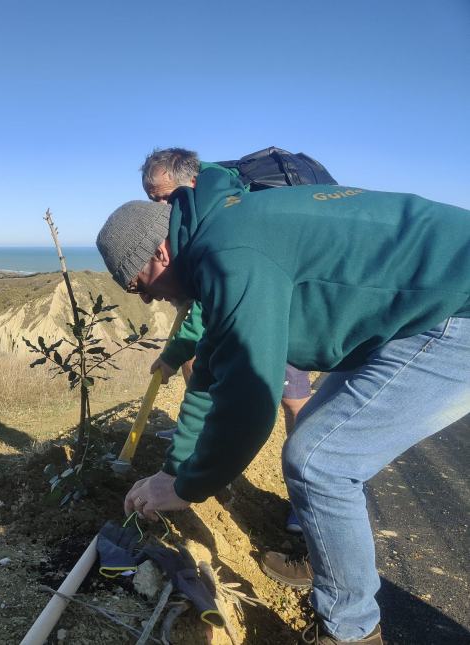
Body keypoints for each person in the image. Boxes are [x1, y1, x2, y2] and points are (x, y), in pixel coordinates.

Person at [95, 168, 470, 644]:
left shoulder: (230, 252)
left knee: (319, 460)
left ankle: (351, 633)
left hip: (455, 308)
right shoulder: (220, 229)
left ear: (161, 252)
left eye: (139, 284)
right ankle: (333, 561)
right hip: (423, 307)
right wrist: (174, 469)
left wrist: (190, 486)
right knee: (317, 439)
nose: (149, 298)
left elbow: (250, 402)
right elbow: (212, 371)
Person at [140, 147, 314, 532]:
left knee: (296, 407)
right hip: (266, 299)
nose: (161, 208)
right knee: (204, 364)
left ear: (191, 182)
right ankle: (200, 439)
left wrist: (188, 483)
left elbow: (250, 412)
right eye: (153, 200)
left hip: (278, 305)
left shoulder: (224, 224)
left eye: (165, 197)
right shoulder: (203, 215)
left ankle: (310, 501)